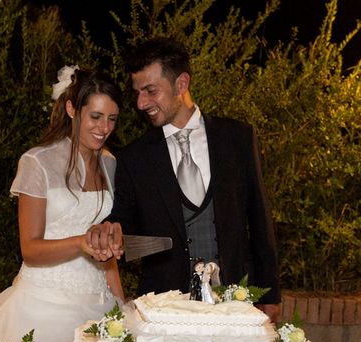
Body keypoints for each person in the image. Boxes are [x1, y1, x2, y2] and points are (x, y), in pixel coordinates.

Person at [87, 37, 281, 322]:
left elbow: (260, 219)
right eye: (138, 93)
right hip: (164, 306)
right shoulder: (134, 158)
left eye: (150, 91)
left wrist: (270, 292)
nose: (141, 103)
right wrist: (107, 234)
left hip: (235, 300)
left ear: (181, 84)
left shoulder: (237, 138)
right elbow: (122, 224)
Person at [0, 66, 125, 342]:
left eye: (112, 119)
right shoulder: (37, 163)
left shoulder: (110, 163)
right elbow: (30, 249)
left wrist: (121, 301)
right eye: (95, 117)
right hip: (42, 306)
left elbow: (105, 248)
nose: (104, 128)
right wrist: (80, 243)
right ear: (72, 109)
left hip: (98, 301)